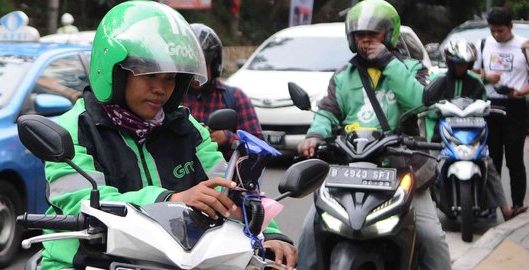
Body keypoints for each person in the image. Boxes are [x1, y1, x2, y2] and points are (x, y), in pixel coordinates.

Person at [40, 2, 296, 269]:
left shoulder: (186, 128)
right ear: (116, 71)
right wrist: (168, 200)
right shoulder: (76, 128)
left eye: (170, 78)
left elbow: (230, 187)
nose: (160, 89)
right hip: (90, 261)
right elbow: (80, 203)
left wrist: (270, 233)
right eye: (149, 75)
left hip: (179, 261)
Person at [296, 1, 451, 269]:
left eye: (374, 34)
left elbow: (420, 100)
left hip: (401, 169)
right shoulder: (344, 76)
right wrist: (315, 136)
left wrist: (387, 63)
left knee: (431, 235)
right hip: (348, 170)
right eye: (360, 35)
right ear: (351, 38)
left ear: (389, 35)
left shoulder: (411, 69)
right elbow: (328, 111)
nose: (366, 40)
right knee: (310, 229)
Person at [423, 38, 526, 221]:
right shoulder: (438, 82)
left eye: (465, 64)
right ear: (450, 63)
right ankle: (425, 213)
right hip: (443, 136)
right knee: (429, 167)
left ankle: (505, 210)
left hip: (472, 134)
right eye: (458, 64)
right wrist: (431, 110)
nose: (462, 68)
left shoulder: (476, 82)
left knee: (488, 164)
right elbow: (426, 104)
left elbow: (485, 105)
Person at [474, 7, 529, 213]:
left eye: (501, 31)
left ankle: (517, 204)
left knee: (514, 158)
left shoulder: (523, 46)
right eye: (493, 31)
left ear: (510, 27)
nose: (496, 35)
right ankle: (492, 206)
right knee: (492, 158)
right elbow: (475, 71)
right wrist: (486, 77)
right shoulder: (484, 43)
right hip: (491, 105)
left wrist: (520, 92)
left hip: (514, 105)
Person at [181, 23, 262, 160]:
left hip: (225, 177)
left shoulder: (235, 98)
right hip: (179, 178)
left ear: (214, 65)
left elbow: (259, 147)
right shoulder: (172, 97)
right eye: (190, 67)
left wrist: (227, 138)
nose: (195, 74)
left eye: (200, 67)